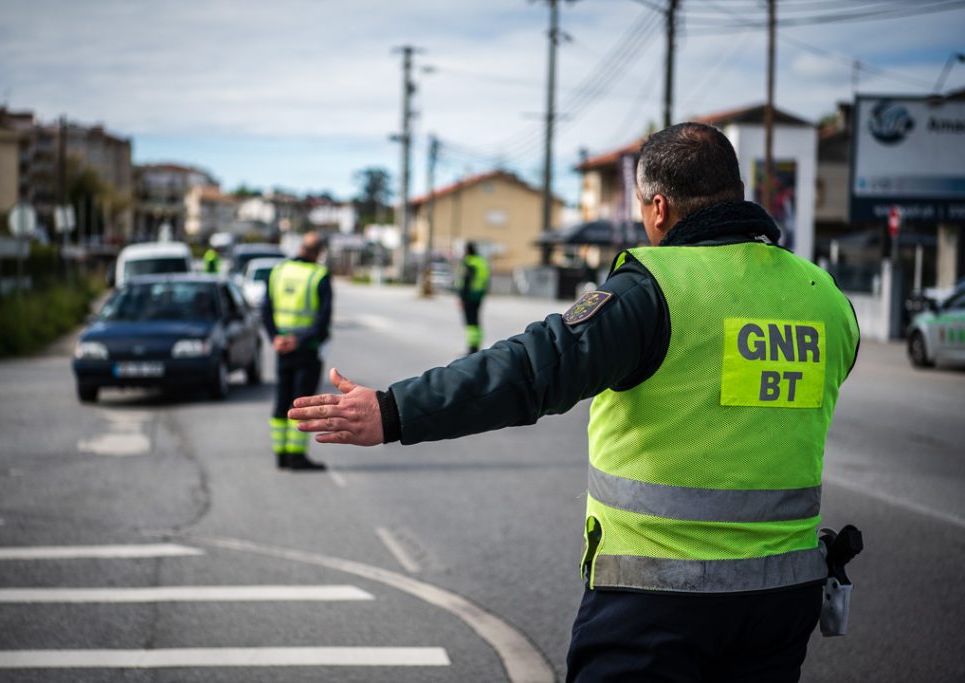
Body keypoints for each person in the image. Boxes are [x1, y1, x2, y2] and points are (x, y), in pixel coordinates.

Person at [288, 122, 860, 680]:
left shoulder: (654, 291)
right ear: (736, 194)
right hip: (781, 599)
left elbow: (530, 370)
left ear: (658, 208)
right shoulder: (823, 297)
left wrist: (393, 411)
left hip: (656, 595)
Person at [263, 232, 332, 471]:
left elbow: (266, 309)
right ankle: (297, 456)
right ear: (319, 252)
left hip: (282, 349)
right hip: (307, 350)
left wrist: (275, 338)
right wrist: (300, 340)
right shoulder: (319, 275)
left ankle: (281, 455)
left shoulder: (279, 271)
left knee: (282, 399)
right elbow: (323, 320)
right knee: (302, 403)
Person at [457, 242, 490, 354]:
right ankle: (476, 346)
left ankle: (471, 348)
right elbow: (485, 281)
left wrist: (461, 297)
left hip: (469, 297)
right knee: (476, 321)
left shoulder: (469, 262)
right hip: (478, 296)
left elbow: (466, 281)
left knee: (470, 323)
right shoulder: (481, 262)